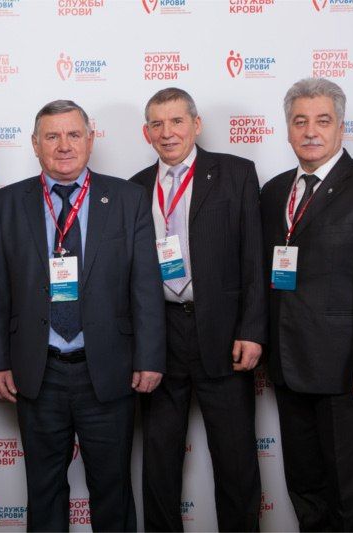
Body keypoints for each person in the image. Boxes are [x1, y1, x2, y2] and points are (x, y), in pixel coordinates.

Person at [0, 100, 166, 531]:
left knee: (112, 489)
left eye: (73, 134)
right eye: (52, 136)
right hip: (38, 371)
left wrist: (149, 357)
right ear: (35, 144)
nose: (63, 145)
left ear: (90, 139)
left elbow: (145, 284)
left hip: (107, 369)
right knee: (44, 491)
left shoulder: (127, 198)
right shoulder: (6, 203)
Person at [260, 77, 353, 531]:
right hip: (288, 368)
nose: (310, 131)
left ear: (341, 127)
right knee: (305, 490)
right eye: (300, 121)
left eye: (322, 121)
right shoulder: (274, 191)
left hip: (347, 373)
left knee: (347, 494)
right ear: (288, 129)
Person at [130, 87, 266, 531]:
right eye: (157, 124)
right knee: (159, 460)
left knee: (235, 460)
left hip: (223, 335)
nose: (167, 132)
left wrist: (251, 329)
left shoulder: (235, 173)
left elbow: (254, 257)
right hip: (160, 336)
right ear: (147, 133)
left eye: (177, 121)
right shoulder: (134, 187)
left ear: (196, 125)